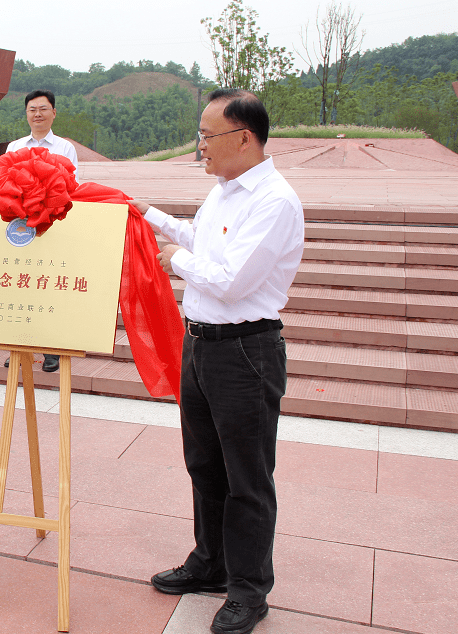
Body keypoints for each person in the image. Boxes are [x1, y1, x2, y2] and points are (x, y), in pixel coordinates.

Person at [135, 89, 303, 634]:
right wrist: (148, 215)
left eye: (208, 136)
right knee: (204, 464)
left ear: (244, 138)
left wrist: (172, 260)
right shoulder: (225, 192)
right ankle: (210, 562)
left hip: (245, 352)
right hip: (201, 345)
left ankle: (250, 591)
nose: (200, 146)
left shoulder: (273, 201)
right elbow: (200, 241)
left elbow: (231, 282)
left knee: (247, 476)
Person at [3, 89, 79, 373]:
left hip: (52, 226)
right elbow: (4, 184)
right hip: (21, 227)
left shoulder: (65, 147)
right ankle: (19, 349)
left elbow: (72, 187)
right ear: (26, 114)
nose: (38, 114)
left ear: (53, 113)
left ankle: (51, 351)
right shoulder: (14, 146)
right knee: (20, 289)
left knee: (48, 287)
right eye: (32, 109)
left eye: (43, 109)